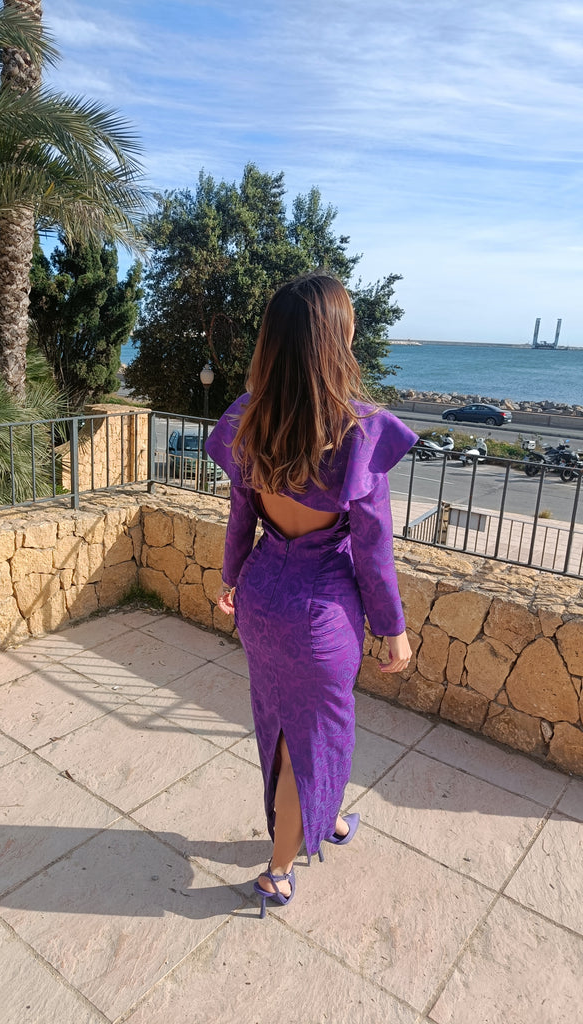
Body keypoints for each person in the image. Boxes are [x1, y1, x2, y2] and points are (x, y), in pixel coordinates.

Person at [204, 272, 416, 918]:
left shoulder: (248, 419)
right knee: (309, 737)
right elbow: (373, 550)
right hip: (321, 612)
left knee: (288, 724)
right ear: (336, 339)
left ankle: (325, 817)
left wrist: (230, 578)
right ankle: (278, 869)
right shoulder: (358, 431)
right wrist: (393, 627)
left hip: (263, 597)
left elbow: (241, 518)